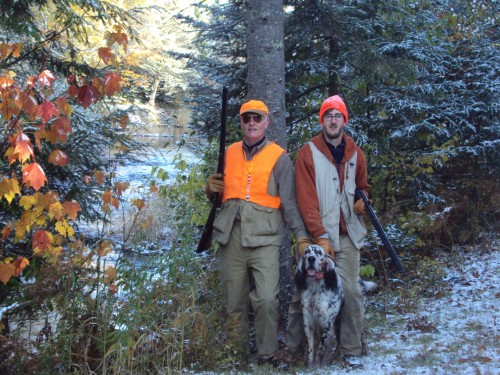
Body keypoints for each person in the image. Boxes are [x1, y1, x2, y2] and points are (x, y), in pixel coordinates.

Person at [206, 99, 310, 365]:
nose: (251, 123)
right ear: (241, 122)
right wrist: (210, 189)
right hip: (231, 237)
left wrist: (300, 236)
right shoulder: (227, 153)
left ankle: (266, 353)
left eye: (257, 118)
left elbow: (289, 202)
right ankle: (235, 356)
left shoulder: (280, 157)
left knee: (266, 299)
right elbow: (219, 199)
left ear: (266, 122)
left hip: (266, 240)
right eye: (246, 118)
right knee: (234, 302)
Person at [284, 95, 370, 369]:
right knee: (304, 295)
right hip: (317, 238)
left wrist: (362, 201)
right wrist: (319, 236)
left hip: (348, 237)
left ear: (345, 120)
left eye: (338, 115)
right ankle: (294, 350)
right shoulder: (307, 153)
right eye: (328, 115)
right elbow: (306, 199)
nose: (333, 120)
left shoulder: (356, 153)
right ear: (321, 120)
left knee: (352, 292)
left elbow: (363, 187)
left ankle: (350, 348)